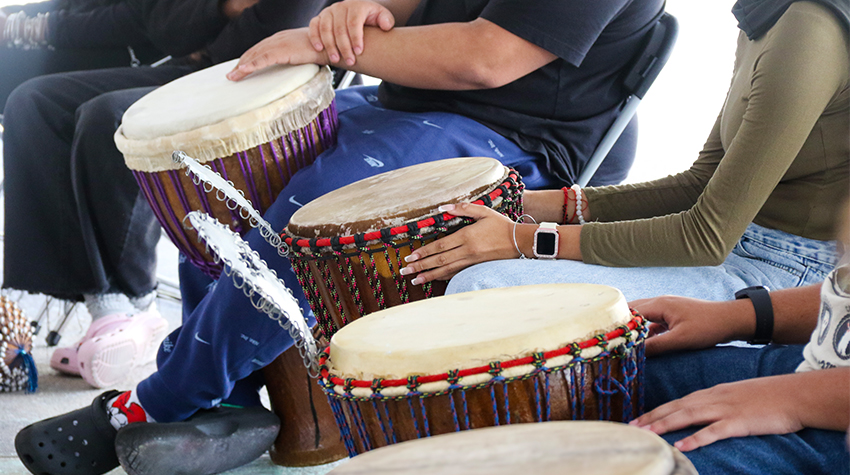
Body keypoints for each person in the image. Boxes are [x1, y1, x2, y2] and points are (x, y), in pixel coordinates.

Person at [14, 0, 665, 473]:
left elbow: (485, 57)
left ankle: (163, 398)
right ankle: (231, 399)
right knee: (227, 161)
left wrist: (321, 45)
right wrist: (356, 14)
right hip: (410, 105)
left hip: (516, 142)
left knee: (307, 205)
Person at [399, 0, 849, 306]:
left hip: (788, 277)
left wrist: (525, 239)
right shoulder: (766, 13)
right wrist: (534, 205)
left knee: (482, 286)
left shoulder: (809, 27)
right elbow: (701, 183)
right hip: (741, 243)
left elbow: (706, 238)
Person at [1, 0, 326, 390]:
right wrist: (226, 8)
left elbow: (277, 32)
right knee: (33, 100)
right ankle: (102, 304)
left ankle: (130, 298)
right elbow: (164, 28)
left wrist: (210, 36)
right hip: (198, 71)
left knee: (107, 117)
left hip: (267, 82)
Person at [629, 258, 850, 474]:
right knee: (625, 374)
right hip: (821, 363)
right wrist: (736, 315)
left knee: (650, 465)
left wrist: (795, 397)